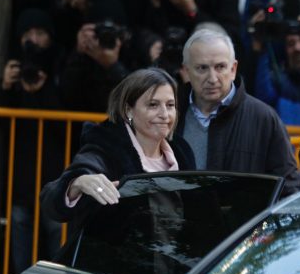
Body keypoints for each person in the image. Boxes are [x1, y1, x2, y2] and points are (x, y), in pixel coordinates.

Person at [41, 67, 195, 235]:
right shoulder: (105, 149)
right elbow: (51, 201)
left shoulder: (182, 152)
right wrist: (77, 183)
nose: (164, 114)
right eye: (153, 105)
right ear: (128, 110)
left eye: (170, 105)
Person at [176, 29, 300, 196]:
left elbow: (288, 187)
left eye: (220, 67)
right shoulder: (171, 116)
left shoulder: (263, 118)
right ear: (186, 72)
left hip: (247, 222)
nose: (212, 78)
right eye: (202, 68)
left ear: (233, 69)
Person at [0, 8, 65, 274]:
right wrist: (5, 88)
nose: (34, 40)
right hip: (21, 181)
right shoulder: (14, 70)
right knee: (20, 260)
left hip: (56, 180)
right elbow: (1, 124)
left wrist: (44, 89)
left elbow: (64, 126)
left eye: (40, 33)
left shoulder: (60, 68)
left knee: (59, 256)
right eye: (28, 34)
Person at [254, 16, 300, 126]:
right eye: (291, 43)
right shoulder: (277, 83)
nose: (298, 48)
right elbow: (263, 99)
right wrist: (262, 46)